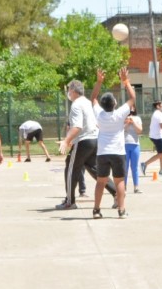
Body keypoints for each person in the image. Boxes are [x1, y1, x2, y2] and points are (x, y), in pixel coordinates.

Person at [57, 79, 116, 210]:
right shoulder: (88, 102)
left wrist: (66, 141)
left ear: (73, 91)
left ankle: (70, 201)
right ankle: (117, 193)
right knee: (96, 169)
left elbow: (77, 127)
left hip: (84, 140)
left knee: (71, 167)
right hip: (95, 139)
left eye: (69, 90)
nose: (68, 93)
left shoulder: (76, 104)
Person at [90, 67, 135, 218]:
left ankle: (96, 210)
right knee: (119, 182)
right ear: (115, 103)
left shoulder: (99, 114)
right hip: (118, 152)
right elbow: (132, 98)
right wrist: (125, 81)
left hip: (102, 152)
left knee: (100, 182)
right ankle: (121, 211)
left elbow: (93, 98)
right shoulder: (120, 113)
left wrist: (99, 81)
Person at [141, 101, 162, 177]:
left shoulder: (156, 113)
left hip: (154, 136)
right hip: (157, 136)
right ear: (157, 106)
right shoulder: (159, 114)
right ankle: (145, 164)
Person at [124, 107, 144, 194]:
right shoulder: (123, 118)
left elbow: (139, 131)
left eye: (132, 107)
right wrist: (127, 123)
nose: (131, 109)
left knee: (134, 167)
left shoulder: (137, 118)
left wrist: (133, 122)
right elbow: (121, 130)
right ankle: (123, 187)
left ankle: (136, 187)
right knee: (125, 167)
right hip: (124, 144)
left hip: (135, 144)